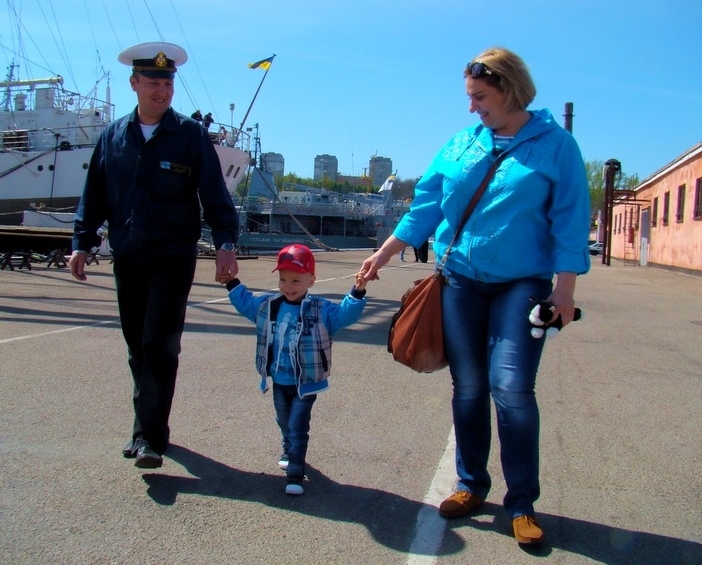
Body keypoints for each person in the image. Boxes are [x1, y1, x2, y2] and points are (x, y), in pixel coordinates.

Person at [359, 47, 590, 545]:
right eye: (469, 97)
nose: (472, 108)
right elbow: (425, 207)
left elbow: (570, 219)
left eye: (480, 97)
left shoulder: (555, 146)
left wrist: (565, 290)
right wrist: (383, 255)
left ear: (509, 90)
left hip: (522, 283)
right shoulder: (462, 143)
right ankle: (470, 484)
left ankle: (522, 502)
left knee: (510, 388)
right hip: (459, 278)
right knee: (468, 386)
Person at [69, 41, 239, 469]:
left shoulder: (191, 135)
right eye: (153, 82)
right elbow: (95, 196)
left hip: (172, 256)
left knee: (159, 344)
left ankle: (147, 436)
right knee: (136, 348)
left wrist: (225, 245)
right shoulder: (113, 136)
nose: (161, 90)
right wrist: (80, 243)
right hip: (128, 255)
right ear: (135, 84)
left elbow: (214, 195)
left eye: (167, 83)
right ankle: (148, 425)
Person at [225, 244, 367, 495]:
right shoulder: (270, 306)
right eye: (282, 280)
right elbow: (246, 304)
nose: (287, 286)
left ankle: (295, 473)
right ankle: (287, 447)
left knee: (298, 425)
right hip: (279, 380)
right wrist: (232, 283)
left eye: (295, 280)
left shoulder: (322, 310)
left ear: (311, 280)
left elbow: (345, 315)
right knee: (284, 420)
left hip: (305, 383)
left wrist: (357, 291)